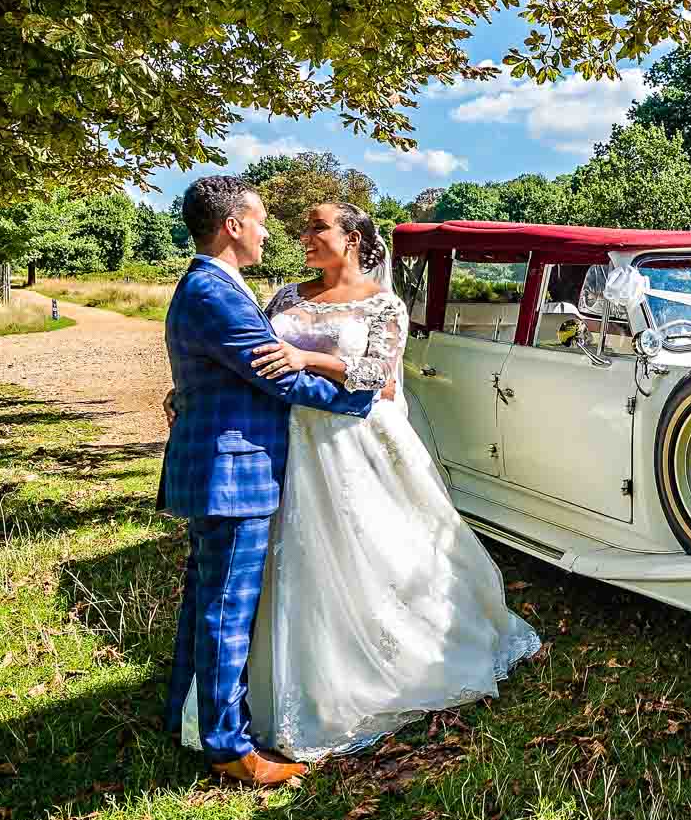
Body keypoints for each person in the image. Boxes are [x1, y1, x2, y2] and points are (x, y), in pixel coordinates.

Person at [184, 199, 540, 764]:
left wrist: (309, 359)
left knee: (373, 553)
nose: (304, 235)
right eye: (305, 227)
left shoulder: (384, 304)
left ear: (352, 239)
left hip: (353, 441)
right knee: (289, 564)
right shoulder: (284, 296)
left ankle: (379, 665)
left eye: (317, 227)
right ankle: (276, 681)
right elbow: (249, 358)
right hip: (285, 440)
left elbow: (378, 374)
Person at [159, 176, 376, 788]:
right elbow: (274, 373)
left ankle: (187, 713)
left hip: (225, 468)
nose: (266, 231)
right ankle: (229, 748)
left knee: (206, 600)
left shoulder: (216, 287)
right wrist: (355, 399)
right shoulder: (215, 292)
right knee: (226, 607)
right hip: (234, 472)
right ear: (232, 225)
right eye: (258, 221)